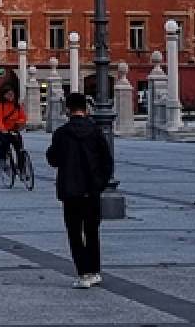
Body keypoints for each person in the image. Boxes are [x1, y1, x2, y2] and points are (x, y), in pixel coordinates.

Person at [45, 92, 114, 289]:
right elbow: (106, 161)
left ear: (68, 110)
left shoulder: (61, 133)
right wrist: (100, 183)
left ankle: (83, 273)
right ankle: (94, 270)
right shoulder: (95, 131)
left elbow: (53, 160)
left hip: (70, 190)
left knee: (74, 232)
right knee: (92, 230)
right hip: (92, 189)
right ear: (85, 108)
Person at [0, 86, 27, 169]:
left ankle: (21, 166)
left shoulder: (18, 106)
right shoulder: (0, 106)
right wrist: (3, 130)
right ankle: (3, 159)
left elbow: (23, 117)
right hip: (2, 129)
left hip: (14, 128)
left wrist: (19, 122)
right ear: (4, 95)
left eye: (12, 94)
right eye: (8, 94)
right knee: (5, 142)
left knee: (19, 147)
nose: (11, 96)